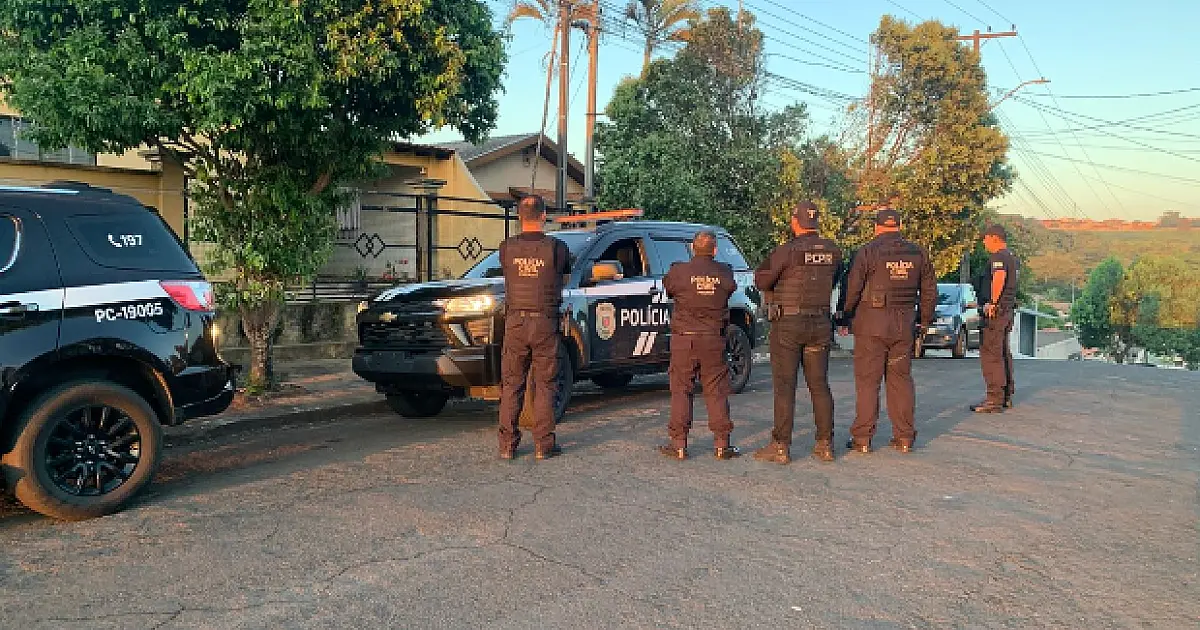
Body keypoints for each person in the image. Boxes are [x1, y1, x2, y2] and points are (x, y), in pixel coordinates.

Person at [752, 202, 845, 463]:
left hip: (789, 324)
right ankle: (825, 444)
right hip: (820, 323)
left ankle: (780, 446)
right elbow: (834, 279)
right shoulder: (833, 251)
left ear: (795, 221)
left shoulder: (786, 251)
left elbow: (761, 280)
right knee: (819, 385)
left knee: (785, 387)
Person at [839, 207, 936, 454]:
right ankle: (904, 437)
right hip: (904, 326)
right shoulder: (918, 253)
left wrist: (845, 316)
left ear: (877, 227)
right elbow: (929, 292)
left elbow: (853, 289)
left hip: (871, 325)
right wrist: (924, 322)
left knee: (868, 383)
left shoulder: (868, 252)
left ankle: (862, 439)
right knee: (900, 382)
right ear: (899, 226)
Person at [497, 195, 571, 460]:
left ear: (518, 216)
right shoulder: (557, 248)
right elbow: (564, 276)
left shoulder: (506, 247)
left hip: (515, 322)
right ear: (543, 216)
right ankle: (544, 444)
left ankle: (507, 446)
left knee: (512, 385)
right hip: (544, 322)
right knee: (545, 384)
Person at [658, 230, 741, 460]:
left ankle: (679, 444)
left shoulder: (679, 271)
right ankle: (722, 445)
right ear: (715, 250)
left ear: (692, 249)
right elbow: (731, 287)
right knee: (716, 391)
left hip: (684, 339)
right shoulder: (724, 272)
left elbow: (668, 287)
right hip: (713, 339)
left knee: (681, 390)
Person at [971, 224, 1019, 413]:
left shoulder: (998, 257)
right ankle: (1006, 395)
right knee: (1002, 353)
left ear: (994, 238)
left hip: (996, 312)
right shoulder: (1012, 257)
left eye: (985, 238)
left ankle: (994, 399)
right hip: (1006, 311)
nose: (984, 242)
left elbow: (999, 277)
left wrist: (992, 302)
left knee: (991, 356)